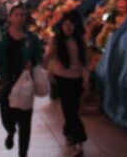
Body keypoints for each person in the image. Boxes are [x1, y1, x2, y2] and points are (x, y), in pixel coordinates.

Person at [0, 4, 43, 157]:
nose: (20, 18)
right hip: (6, 82)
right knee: (7, 117)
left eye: (23, 15)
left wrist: (33, 63)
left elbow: (38, 56)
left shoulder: (31, 38)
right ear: (10, 18)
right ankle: (11, 130)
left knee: (25, 121)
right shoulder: (0, 36)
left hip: (25, 83)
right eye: (16, 15)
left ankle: (23, 153)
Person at [44, 10, 89, 156]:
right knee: (69, 110)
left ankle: (68, 131)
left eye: (71, 24)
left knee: (72, 109)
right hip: (61, 79)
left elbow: (84, 63)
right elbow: (46, 58)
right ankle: (79, 141)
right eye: (65, 24)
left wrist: (86, 79)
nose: (68, 27)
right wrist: (49, 55)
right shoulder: (57, 40)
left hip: (76, 79)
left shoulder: (80, 41)